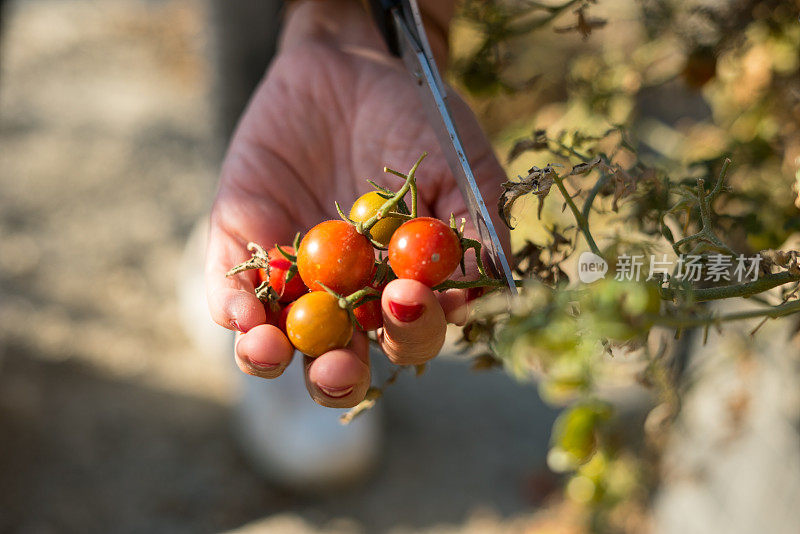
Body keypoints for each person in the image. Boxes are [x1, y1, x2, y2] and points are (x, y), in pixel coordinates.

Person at [202, 0, 510, 486]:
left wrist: (374, 29)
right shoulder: (365, 245)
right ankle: (230, 235)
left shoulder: (374, 247)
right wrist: (323, 26)